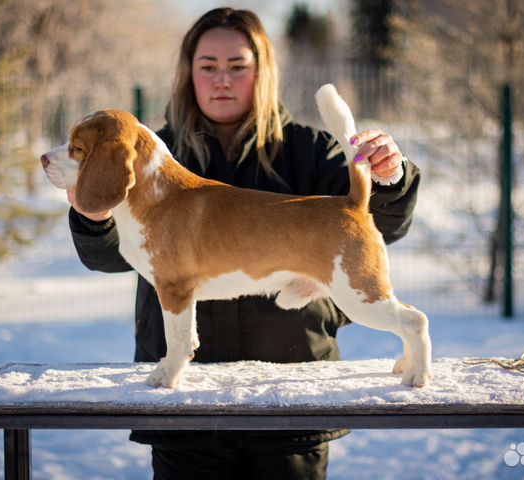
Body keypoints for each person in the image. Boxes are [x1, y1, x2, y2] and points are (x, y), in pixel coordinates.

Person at [67, 7, 420, 480]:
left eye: (238, 66)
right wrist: (92, 214)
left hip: (293, 396)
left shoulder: (311, 148)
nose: (222, 80)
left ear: (263, 71)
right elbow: (110, 256)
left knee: (373, 307)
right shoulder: (143, 153)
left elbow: (378, 224)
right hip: (185, 417)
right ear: (188, 73)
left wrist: (391, 176)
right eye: (208, 66)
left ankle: (414, 337)